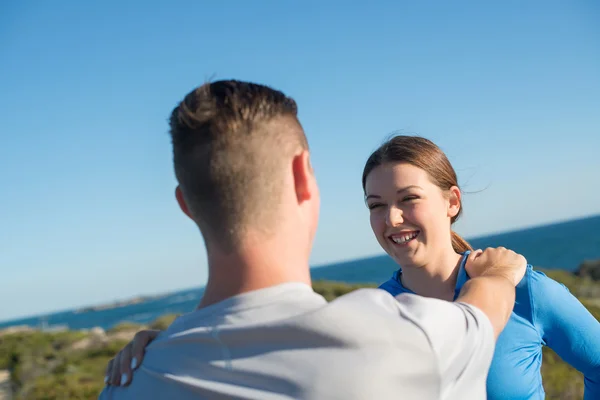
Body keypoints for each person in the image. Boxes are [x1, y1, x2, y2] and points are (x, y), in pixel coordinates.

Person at [99, 80, 528, 400]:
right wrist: (498, 272)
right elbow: (483, 310)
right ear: (303, 175)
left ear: (186, 203)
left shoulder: (129, 382)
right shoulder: (399, 339)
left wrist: (161, 348)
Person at [362, 135, 600, 400]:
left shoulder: (524, 290)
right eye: (376, 205)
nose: (392, 218)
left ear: (452, 202)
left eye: (409, 198)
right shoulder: (374, 314)